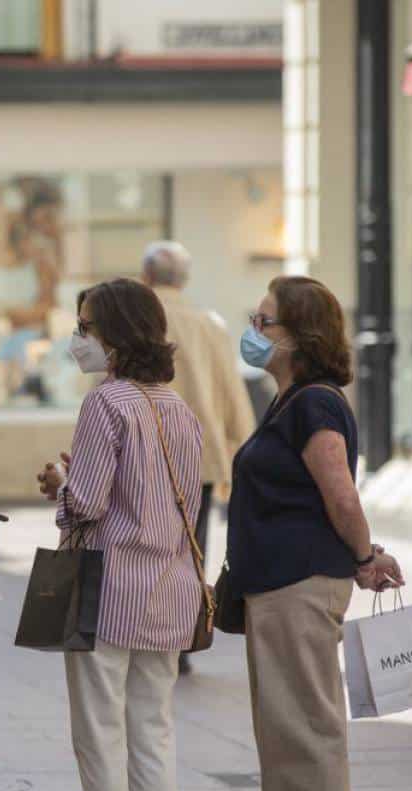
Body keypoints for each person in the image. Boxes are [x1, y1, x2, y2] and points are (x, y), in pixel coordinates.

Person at [227, 276, 404, 791]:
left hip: (298, 585)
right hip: (280, 585)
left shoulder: (314, 406)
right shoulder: (290, 401)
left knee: (303, 728)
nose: (253, 328)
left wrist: (364, 557)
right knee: (288, 729)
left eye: (264, 319)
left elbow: (341, 494)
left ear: (301, 335)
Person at [36, 278, 203, 791]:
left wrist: (60, 485)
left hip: (105, 590)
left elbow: (88, 504)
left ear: (116, 334)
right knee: (152, 740)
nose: (78, 338)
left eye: (86, 326)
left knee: (100, 742)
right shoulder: (176, 408)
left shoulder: (106, 403)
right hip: (168, 591)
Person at [141, 241, 256, 675]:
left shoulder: (141, 321)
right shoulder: (209, 324)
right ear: (182, 280)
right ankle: (185, 637)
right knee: (194, 549)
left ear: (147, 277)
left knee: (148, 546)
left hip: (148, 453)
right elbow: (231, 390)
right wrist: (240, 448)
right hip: (201, 456)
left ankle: (152, 633)